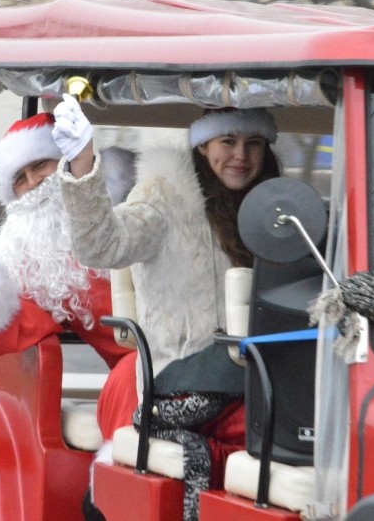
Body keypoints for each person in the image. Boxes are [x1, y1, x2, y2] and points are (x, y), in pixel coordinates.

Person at [53, 96, 281, 521]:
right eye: (227, 141)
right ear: (202, 146)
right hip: (180, 377)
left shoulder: (275, 212)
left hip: (255, 376)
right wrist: (83, 166)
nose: (240, 155)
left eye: (253, 144)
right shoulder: (164, 198)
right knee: (270, 423)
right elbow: (102, 244)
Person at [0, 112, 138, 441]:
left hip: (222, 343)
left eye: (40, 165)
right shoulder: (47, 266)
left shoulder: (140, 203)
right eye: (20, 180)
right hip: (144, 372)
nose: (34, 183)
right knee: (132, 380)